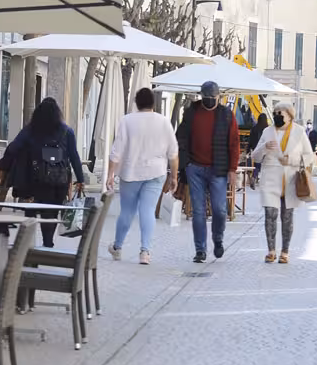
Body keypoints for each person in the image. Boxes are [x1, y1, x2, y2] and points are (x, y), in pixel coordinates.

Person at [106, 88, 179, 265]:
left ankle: (117, 247)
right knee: (147, 211)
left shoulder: (127, 121)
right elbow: (173, 153)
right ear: (153, 103)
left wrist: (110, 174)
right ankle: (145, 252)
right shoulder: (163, 122)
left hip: (130, 172)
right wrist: (174, 177)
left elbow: (116, 151)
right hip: (156, 173)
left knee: (127, 212)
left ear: (136, 103)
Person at [5, 97, 86, 247]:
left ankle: (27, 246)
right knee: (51, 212)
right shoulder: (67, 132)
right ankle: (47, 243)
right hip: (59, 181)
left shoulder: (30, 130)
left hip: (35, 180)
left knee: (32, 211)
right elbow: (74, 156)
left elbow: (13, 148)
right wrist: (80, 179)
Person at [176, 80, 239, 263]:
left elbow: (234, 143)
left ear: (218, 97)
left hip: (218, 169)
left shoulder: (226, 115)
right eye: (207, 97)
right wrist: (185, 164)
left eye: (213, 97)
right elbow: (181, 137)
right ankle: (200, 250)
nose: (210, 100)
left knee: (220, 210)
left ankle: (218, 239)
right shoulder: (192, 112)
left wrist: (232, 169)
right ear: (201, 96)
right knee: (198, 211)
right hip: (195, 168)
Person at [251, 102, 316, 264]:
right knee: (270, 215)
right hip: (270, 178)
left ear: (290, 115)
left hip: (290, 179)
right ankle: (271, 251)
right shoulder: (267, 131)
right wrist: (264, 147)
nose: (277, 116)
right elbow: (256, 156)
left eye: (281, 113)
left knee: (287, 217)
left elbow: (310, 156)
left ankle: (285, 251)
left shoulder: (299, 132)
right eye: (275, 113)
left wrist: (292, 159)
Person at [248, 113, 269, 189]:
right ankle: (264, 182)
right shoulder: (267, 129)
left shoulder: (254, 128)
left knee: (257, 165)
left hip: (256, 149)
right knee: (265, 165)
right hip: (265, 149)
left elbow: (250, 140)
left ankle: (254, 177)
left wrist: (248, 149)